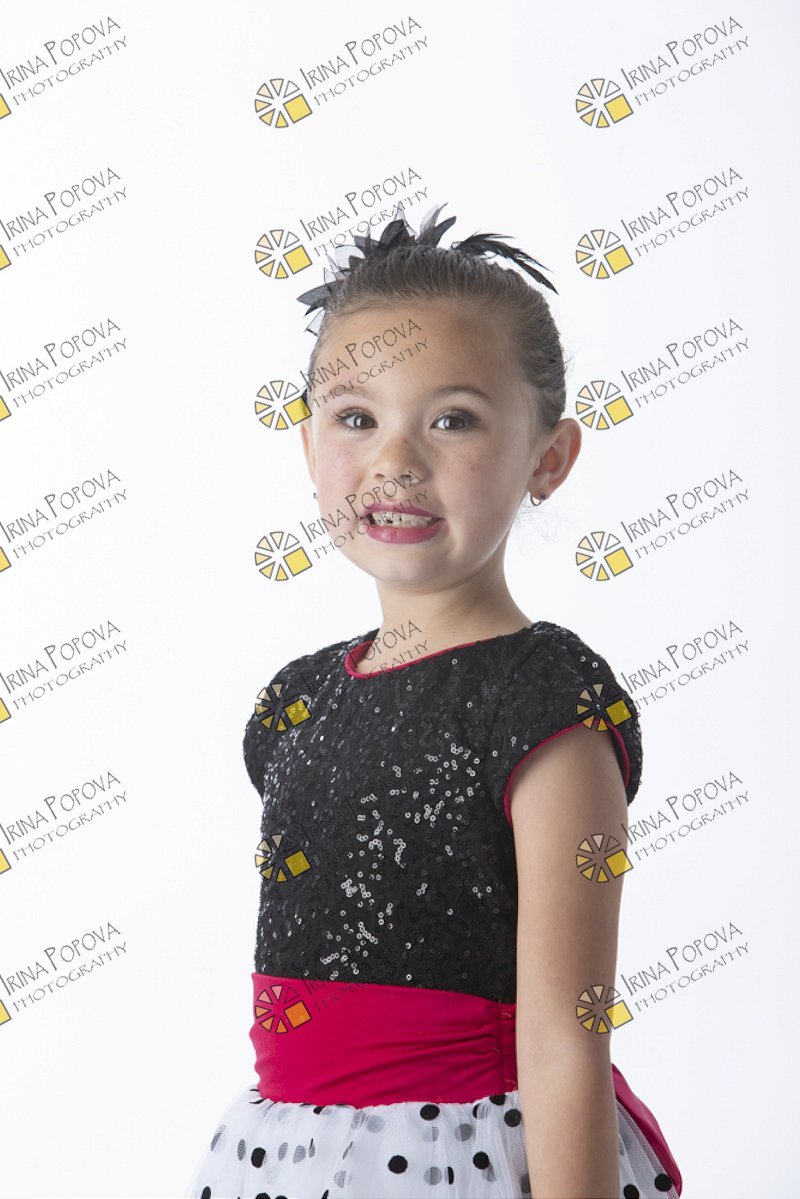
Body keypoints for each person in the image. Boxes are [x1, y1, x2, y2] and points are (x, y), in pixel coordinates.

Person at [185, 204, 683, 1199]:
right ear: (309, 444)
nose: (395, 461)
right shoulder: (295, 703)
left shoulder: (544, 705)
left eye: (452, 419)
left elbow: (564, 1036)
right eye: (356, 418)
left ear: (547, 458)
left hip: (466, 1158)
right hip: (286, 1155)